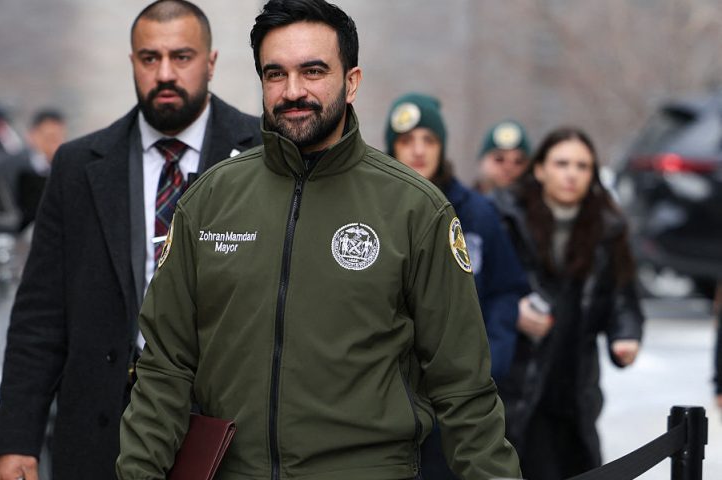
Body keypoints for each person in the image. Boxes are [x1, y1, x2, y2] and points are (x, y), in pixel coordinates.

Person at [117, 1, 521, 479]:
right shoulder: (207, 202)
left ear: (351, 81)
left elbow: (464, 387)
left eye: (313, 71)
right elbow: (164, 368)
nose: (293, 91)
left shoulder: (415, 210)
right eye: (275, 74)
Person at [0, 1, 262, 479]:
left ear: (211, 62)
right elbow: (40, 314)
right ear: (132, 62)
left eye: (181, 57)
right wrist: (17, 440)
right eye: (149, 58)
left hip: (230, 436)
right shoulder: (78, 167)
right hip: (98, 436)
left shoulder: (263, 155)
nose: (165, 73)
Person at [385, 92, 529, 480]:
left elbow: (505, 288)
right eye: (406, 141)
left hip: (457, 398)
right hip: (389, 400)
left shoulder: (476, 213)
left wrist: (492, 360)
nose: (417, 151)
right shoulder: (371, 210)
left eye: (428, 140)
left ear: (442, 146)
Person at [490, 126, 644, 479]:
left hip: (574, 382)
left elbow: (623, 296)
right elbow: (479, 288)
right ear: (540, 169)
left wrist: (626, 335)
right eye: (561, 163)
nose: (572, 174)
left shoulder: (607, 227)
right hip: (517, 379)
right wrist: (511, 311)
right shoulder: (505, 217)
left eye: (582, 166)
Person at [17, 109, 67, 227]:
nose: (56, 144)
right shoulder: (10, 167)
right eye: (50, 138)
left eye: (60, 138)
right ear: (32, 136)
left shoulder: (67, 170)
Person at [475, 119, 531, 194]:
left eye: (518, 162)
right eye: (499, 159)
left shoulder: (536, 204)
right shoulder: (460, 203)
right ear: (482, 161)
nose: (508, 168)